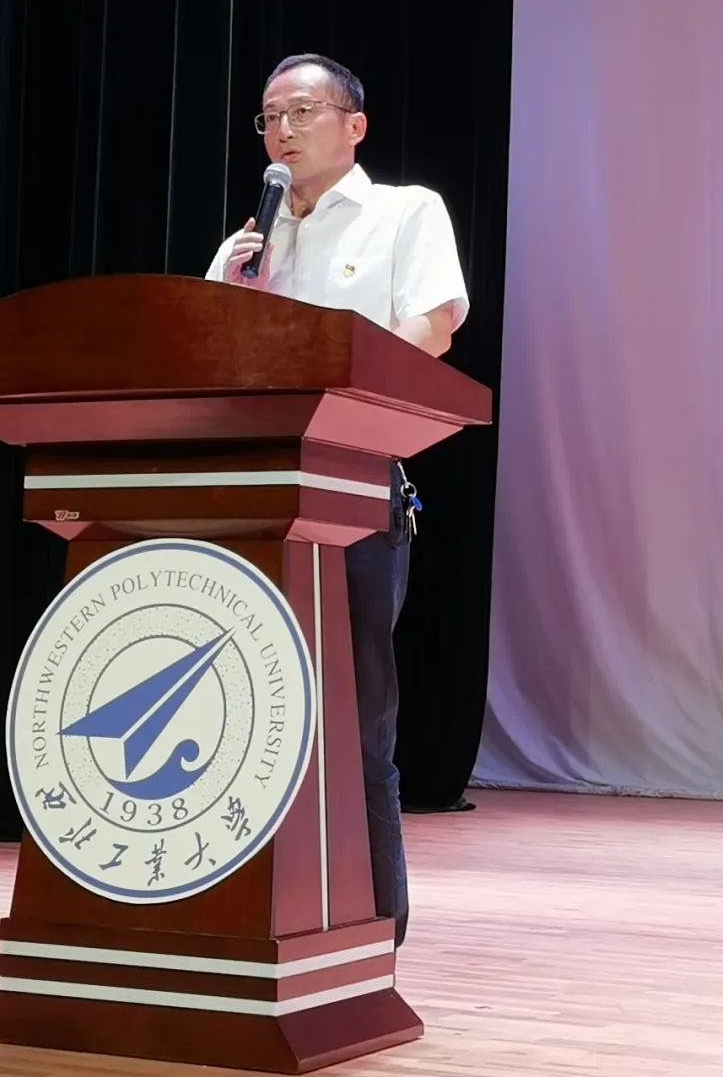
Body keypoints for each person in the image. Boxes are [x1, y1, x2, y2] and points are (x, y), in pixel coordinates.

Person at [205, 53, 468, 945]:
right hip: (253, 497)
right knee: (248, 715)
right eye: (269, 116)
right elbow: (207, 360)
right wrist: (231, 295)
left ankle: (372, 928)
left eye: (301, 111)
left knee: (355, 723)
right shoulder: (247, 246)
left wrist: (329, 385)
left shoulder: (405, 211)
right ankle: (251, 920)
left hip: (353, 490)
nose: (281, 130)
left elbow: (432, 328)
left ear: (354, 125)